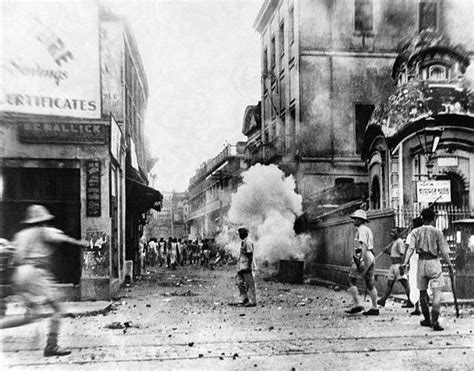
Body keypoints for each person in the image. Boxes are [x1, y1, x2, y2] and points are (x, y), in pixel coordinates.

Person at [10, 205, 88, 356]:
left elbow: (15, 258)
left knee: (32, 315)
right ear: (43, 220)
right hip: (36, 273)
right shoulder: (43, 230)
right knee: (58, 308)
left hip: (19, 274)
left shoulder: (20, 235)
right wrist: (80, 243)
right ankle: (51, 346)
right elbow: (62, 238)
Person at [400, 208, 453, 331]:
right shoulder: (438, 232)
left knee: (422, 293)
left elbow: (410, 249)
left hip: (421, 263)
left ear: (422, 218)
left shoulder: (415, 232)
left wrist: (405, 263)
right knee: (436, 294)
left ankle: (427, 319)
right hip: (434, 263)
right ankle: (435, 320)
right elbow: (444, 252)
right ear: (433, 219)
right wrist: (449, 264)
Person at [346, 209, 379, 315]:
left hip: (363, 255)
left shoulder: (361, 230)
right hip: (370, 255)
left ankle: (358, 305)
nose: (354, 221)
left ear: (360, 220)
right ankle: (375, 307)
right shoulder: (368, 229)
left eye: (355, 219)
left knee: (351, 279)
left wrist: (361, 259)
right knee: (370, 283)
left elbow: (363, 245)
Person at [377, 228, 413, 308]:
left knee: (405, 283)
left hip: (398, 265)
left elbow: (402, 254)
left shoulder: (400, 242)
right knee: (389, 283)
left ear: (398, 233)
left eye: (394, 232)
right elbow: (394, 254)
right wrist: (387, 252)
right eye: (391, 232)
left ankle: (411, 300)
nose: (391, 234)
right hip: (393, 265)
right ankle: (383, 300)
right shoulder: (394, 242)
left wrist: (403, 265)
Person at [231, 227, 256, 307]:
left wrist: (249, 266)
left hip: (247, 265)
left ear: (243, 234)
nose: (239, 236)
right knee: (239, 282)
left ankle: (252, 300)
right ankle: (244, 298)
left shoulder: (248, 242)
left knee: (249, 283)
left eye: (240, 234)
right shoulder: (243, 242)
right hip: (242, 265)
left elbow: (250, 255)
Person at [405, 217, 424, 316]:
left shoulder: (411, 235)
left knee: (414, 283)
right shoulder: (426, 234)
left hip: (414, 261)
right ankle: (422, 307)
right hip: (424, 260)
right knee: (424, 284)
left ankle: (417, 307)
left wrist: (405, 262)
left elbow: (408, 249)